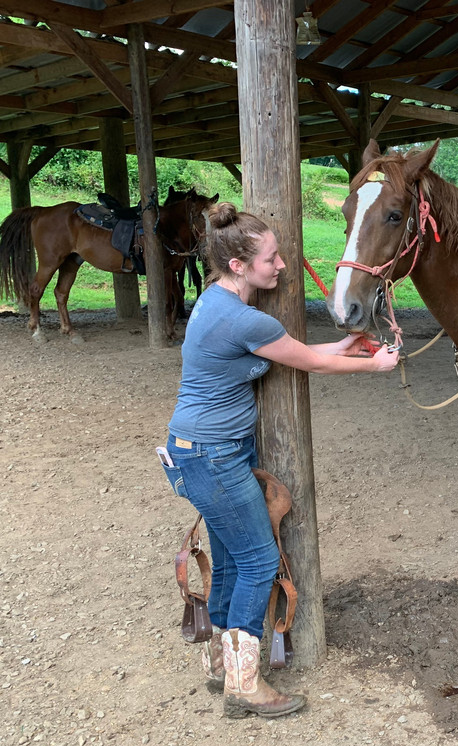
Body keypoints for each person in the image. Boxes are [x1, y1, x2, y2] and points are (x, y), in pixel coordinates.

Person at [159, 202, 399, 717]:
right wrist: (372, 366)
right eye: (272, 259)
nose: (282, 265)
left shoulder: (218, 304)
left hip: (198, 453)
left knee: (229, 558)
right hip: (212, 456)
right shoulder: (241, 317)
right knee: (259, 560)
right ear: (240, 266)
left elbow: (293, 350)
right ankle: (245, 684)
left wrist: (346, 345)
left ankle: (223, 665)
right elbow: (308, 362)